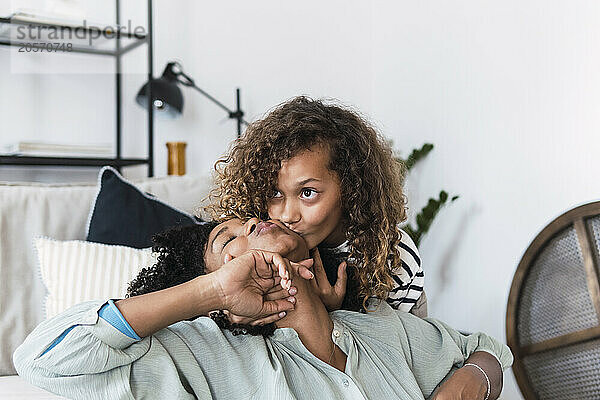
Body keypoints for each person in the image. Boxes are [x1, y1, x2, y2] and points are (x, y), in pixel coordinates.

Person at [14, 218, 512, 400]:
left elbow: (486, 350)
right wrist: (210, 294)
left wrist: (470, 386)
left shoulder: (378, 326)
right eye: (227, 240)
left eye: (249, 219)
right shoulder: (199, 354)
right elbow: (42, 359)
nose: (251, 223)